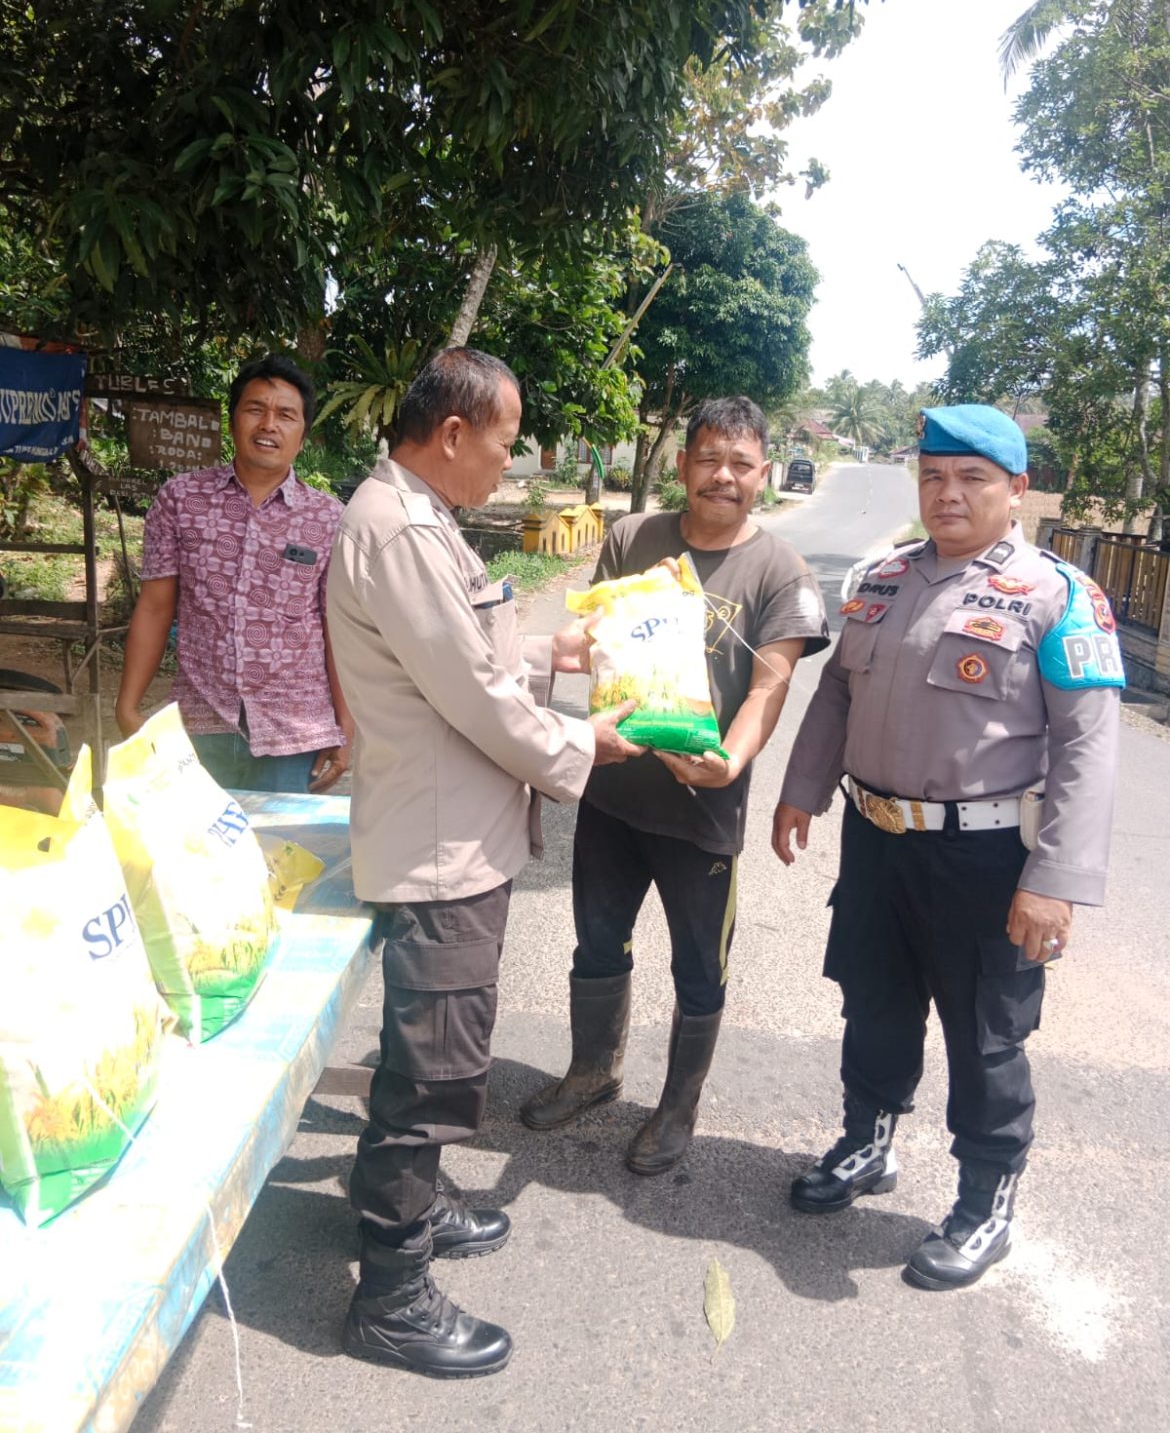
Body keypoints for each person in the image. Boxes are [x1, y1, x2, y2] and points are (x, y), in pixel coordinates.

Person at [325, 346, 642, 1380]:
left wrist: (562, 657)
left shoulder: (421, 518)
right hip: (438, 849)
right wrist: (581, 746)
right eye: (505, 446)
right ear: (452, 433)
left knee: (440, 1051)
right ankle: (392, 1292)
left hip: (458, 836)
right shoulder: (401, 529)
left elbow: (481, 647)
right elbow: (473, 693)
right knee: (432, 1069)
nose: (510, 465)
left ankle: (416, 1206)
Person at [772, 404, 1123, 1290]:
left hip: (987, 857)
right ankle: (868, 1144)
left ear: (1017, 490)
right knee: (873, 1000)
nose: (949, 494)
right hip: (877, 838)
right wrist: (800, 791)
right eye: (934, 476)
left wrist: (1056, 881)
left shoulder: (1058, 595)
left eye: (972, 478)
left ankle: (983, 1203)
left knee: (985, 1037)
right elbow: (837, 698)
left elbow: (1087, 746)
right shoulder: (885, 577)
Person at [521, 396, 829, 1175]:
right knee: (597, 943)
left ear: (764, 473)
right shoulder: (633, 539)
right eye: (707, 459)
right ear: (684, 463)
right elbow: (595, 641)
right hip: (614, 792)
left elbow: (770, 688)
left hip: (704, 808)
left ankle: (678, 1106)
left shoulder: (780, 571)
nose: (722, 476)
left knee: (699, 966)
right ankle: (593, 1071)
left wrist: (731, 761)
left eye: (740, 463)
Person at [115, 354, 352, 792]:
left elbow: (336, 628)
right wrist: (128, 707)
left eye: (286, 415)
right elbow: (154, 607)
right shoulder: (181, 499)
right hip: (199, 722)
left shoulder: (330, 518)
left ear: (303, 435)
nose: (269, 425)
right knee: (198, 854)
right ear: (233, 421)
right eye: (255, 409)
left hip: (294, 728)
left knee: (280, 856)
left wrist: (345, 726)